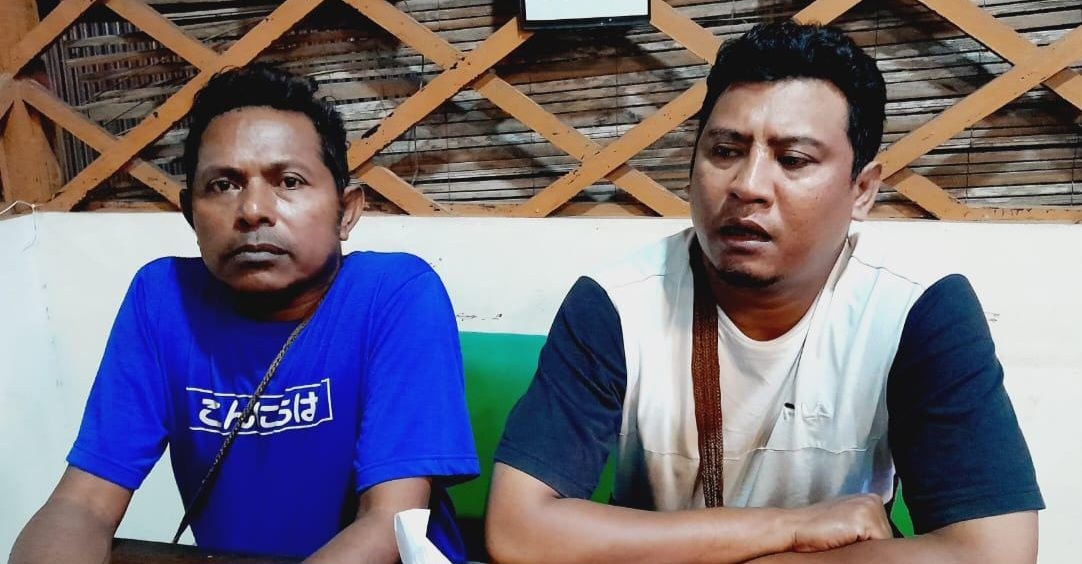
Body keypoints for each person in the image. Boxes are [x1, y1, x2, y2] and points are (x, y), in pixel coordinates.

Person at [486, 21, 1043, 564]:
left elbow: (993, 551)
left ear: (862, 190)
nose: (747, 186)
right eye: (725, 151)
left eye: (793, 160)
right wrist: (790, 528)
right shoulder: (617, 302)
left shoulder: (915, 308)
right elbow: (519, 531)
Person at [10, 65, 479, 564]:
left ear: (345, 212)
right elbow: (82, 503)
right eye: (223, 185)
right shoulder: (162, 299)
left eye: (289, 181)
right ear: (190, 214)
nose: (253, 210)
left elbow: (389, 523)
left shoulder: (394, 293)